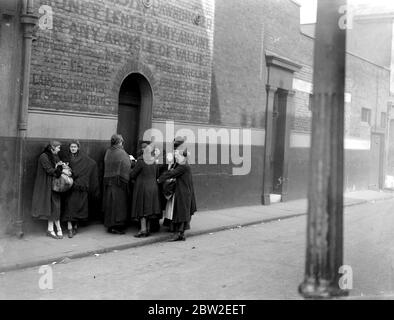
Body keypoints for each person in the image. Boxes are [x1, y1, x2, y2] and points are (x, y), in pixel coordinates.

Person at [157, 143, 197, 241]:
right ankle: (180, 234)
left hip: (183, 192)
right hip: (184, 191)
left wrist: (159, 179)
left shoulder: (183, 166)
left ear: (182, 156)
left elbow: (172, 173)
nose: (176, 158)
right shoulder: (183, 164)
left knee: (181, 213)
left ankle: (179, 234)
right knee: (182, 212)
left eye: (177, 156)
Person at [62, 140, 99, 238]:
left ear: (78, 147)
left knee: (78, 208)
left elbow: (92, 163)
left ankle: (75, 226)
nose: (73, 148)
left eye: (74, 147)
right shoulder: (67, 158)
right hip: (70, 186)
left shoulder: (83, 158)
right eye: (71, 147)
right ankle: (70, 228)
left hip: (80, 186)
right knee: (69, 207)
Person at [31, 140, 64, 239]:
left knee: (54, 206)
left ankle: (53, 229)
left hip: (54, 184)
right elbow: (50, 170)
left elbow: (57, 168)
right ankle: (54, 229)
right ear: (52, 147)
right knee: (51, 206)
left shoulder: (55, 156)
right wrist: (58, 168)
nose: (59, 150)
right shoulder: (44, 156)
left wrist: (60, 167)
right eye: (58, 148)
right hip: (46, 184)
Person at [129, 143, 162, 237]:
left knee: (142, 208)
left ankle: (143, 230)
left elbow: (133, 175)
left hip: (143, 187)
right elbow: (157, 174)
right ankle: (147, 229)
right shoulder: (155, 161)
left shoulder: (141, 161)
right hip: (153, 187)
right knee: (149, 209)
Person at [103, 134, 132, 234]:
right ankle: (117, 226)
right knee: (119, 205)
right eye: (121, 142)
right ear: (119, 142)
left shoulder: (108, 151)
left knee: (110, 205)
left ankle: (110, 225)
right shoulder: (121, 152)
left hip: (109, 182)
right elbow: (127, 165)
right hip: (119, 184)